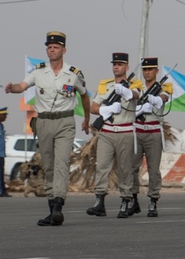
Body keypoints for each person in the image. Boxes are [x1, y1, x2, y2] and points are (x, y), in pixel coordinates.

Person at [5, 31, 90, 225]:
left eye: (56, 47)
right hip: (43, 122)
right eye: (49, 47)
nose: (52, 50)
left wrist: (86, 119)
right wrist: (13, 88)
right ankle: (52, 209)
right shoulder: (38, 71)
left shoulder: (74, 74)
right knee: (49, 166)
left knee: (61, 163)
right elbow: (22, 85)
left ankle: (59, 203)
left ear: (64, 50)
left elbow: (84, 96)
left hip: (65, 122)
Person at [88, 52, 143, 219]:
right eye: (114, 64)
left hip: (125, 131)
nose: (116, 67)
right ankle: (99, 201)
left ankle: (126, 200)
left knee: (125, 168)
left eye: (120, 64)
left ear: (126, 67)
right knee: (102, 166)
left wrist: (126, 92)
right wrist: (106, 110)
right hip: (107, 131)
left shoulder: (135, 84)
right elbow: (93, 107)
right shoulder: (105, 85)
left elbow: (137, 94)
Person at [131, 57, 172, 217]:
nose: (147, 72)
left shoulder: (163, 87)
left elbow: (164, 97)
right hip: (138, 130)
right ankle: (133, 200)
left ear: (156, 71)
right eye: (145, 70)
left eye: (150, 70)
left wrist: (155, 99)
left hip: (154, 131)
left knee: (154, 169)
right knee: (133, 167)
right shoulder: (138, 87)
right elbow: (131, 97)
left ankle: (153, 201)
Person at [0, 106, 9, 197]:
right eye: (4, 115)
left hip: (1, 154)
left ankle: (2, 191)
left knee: (1, 174)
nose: (6, 117)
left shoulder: (1, 126)